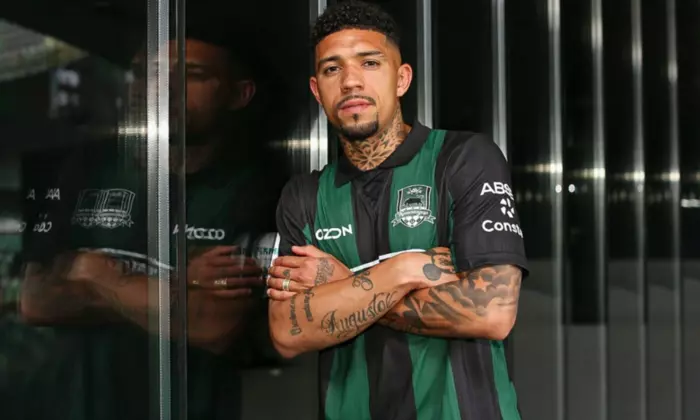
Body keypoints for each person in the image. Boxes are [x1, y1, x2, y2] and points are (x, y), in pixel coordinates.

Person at [266, 2, 528, 419]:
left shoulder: (463, 159)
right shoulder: (303, 196)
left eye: (369, 63)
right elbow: (286, 331)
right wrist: (404, 270)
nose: (351, 81)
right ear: (317, 90)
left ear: (401, 78)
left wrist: (343, 285)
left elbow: (492, 311)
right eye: (332, 69)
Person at [17, 29, 287, 420]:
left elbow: (215, 325)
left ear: (238, 95)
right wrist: (180, 283)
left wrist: (98, 274)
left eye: (191, 74)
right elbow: (36, 301)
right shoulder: (90, 169)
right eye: (152, 73)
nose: (163, 88)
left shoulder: (256, 186)